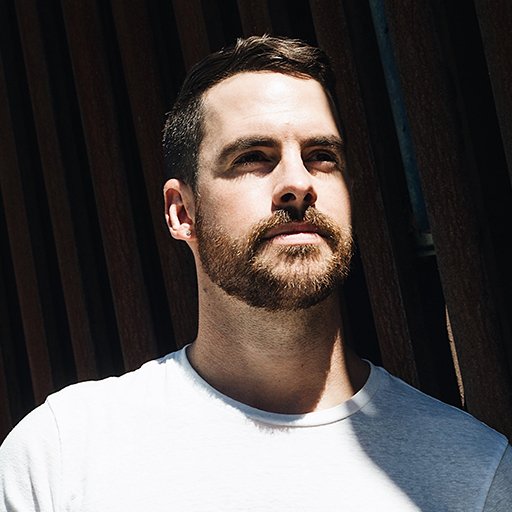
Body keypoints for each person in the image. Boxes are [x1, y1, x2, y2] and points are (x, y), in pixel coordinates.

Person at [0, 35, 510, 511]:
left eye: (322, 157)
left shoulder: (475, 472)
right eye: (253, 158)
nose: (298, 183)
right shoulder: (64, 453)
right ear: (182, 211)